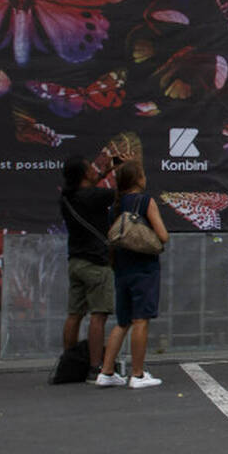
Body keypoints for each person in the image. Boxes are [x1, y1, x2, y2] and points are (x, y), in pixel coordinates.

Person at [99, 161, 169, 390]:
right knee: (141, 320)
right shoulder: (145, 201)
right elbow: (163, 235)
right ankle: (137, 374)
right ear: (138, 178)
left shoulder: (115, 206)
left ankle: (106, 371)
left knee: (123, 321)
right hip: (144, 267)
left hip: (121, 267)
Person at [59, 151, 119, 379]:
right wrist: (116, 172)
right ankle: (96, 366)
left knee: (74, 314)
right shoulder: (95, 196)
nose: (96, 170)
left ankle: (70, 362)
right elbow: (119, 194)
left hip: (75, 260)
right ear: (85, 174)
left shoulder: (67, 197)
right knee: (99, 314)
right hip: (96, 263)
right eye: (91, 168)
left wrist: (106, 170)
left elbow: (92, 185)